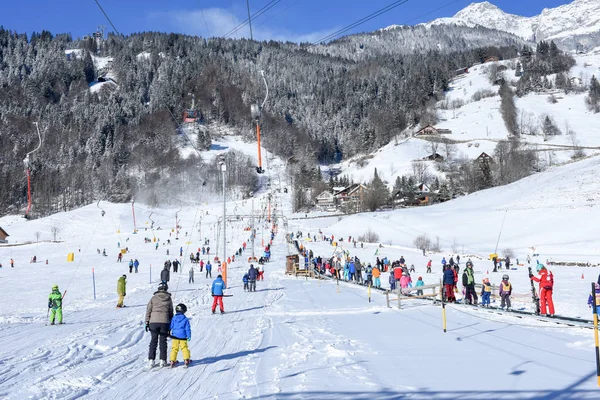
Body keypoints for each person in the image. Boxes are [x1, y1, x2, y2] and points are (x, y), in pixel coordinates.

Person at [145, 283, 174, 368]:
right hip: (164, 322)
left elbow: (148, 310)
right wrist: (170, 323)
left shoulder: (153, 298)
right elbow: (171, 312)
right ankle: (163, 360)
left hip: (153, 322)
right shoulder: (168, 298)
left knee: (153, 341)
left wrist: (147, 322)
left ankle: (151, 360)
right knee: (163, 341)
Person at [169, 303, 192, 368]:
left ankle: (172, 360)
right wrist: (189, 336)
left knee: (174, 348)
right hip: (183, 337)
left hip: (174, 336)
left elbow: (171, 326)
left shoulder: (174, 318)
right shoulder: (185, 319)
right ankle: (186, 359)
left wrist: (168, 331)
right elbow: (187, 328)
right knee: (184, 348)